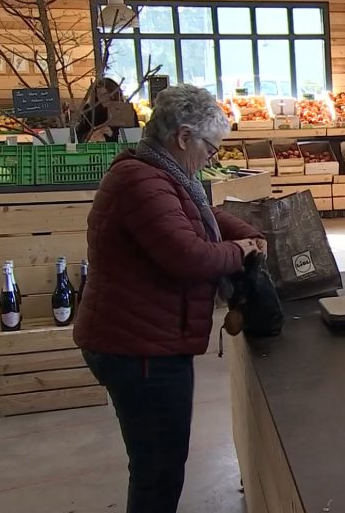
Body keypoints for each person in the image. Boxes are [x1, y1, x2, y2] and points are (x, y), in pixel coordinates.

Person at [73, 84, 265, 513]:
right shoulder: (140, 180)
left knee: (160, 462)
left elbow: (200, 215)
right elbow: (187, 256)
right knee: (157, 469)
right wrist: (242, 251)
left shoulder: (162, 173)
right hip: (138, 349)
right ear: (183, 136)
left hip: (147, 338)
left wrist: (242, 230)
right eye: (211, 149)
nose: (211, 158)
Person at [75, 78, 132, 143]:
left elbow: (133, 135)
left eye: (106, 94)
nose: (103, 98)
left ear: (114, 93)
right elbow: (79, 134)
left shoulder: (125, 110)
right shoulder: (91, 111)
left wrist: (112, 134)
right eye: (99, 95)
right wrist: (91, 134)